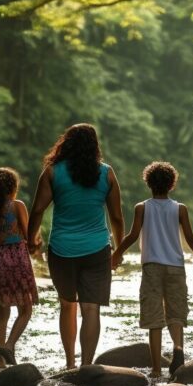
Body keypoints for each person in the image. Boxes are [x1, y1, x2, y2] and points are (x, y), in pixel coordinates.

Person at [28, 124, 124, 369]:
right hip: (97, 249)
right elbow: (116, 217)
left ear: (66, 143)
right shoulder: (107, 173)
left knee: (67, 305)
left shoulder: (52, 172)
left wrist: (32, 239)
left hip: (62, 250)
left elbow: (38, 209)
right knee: (91, 309)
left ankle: (70, 363)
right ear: (95, 146)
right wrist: (119, 249)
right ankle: (87, 367)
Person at [112, 161, 193, 378]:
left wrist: (117, 254)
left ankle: (156, 369)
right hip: (176, 266)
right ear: (171, 184)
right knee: (175, 313)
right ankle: (178, 349)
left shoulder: (142, 208)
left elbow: (133, 235)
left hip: (152, 267)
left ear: (148, 183)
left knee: (154, 318)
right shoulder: (180, 209)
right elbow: (191, 239)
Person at [0, 167, 38, 368]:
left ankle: (0, 362)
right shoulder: (18, 206)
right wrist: (38, 244)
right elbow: (29, 239)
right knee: (25, 310)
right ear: (13, 188)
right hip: (18, 259)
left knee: (2, 314)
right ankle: (9, 345)